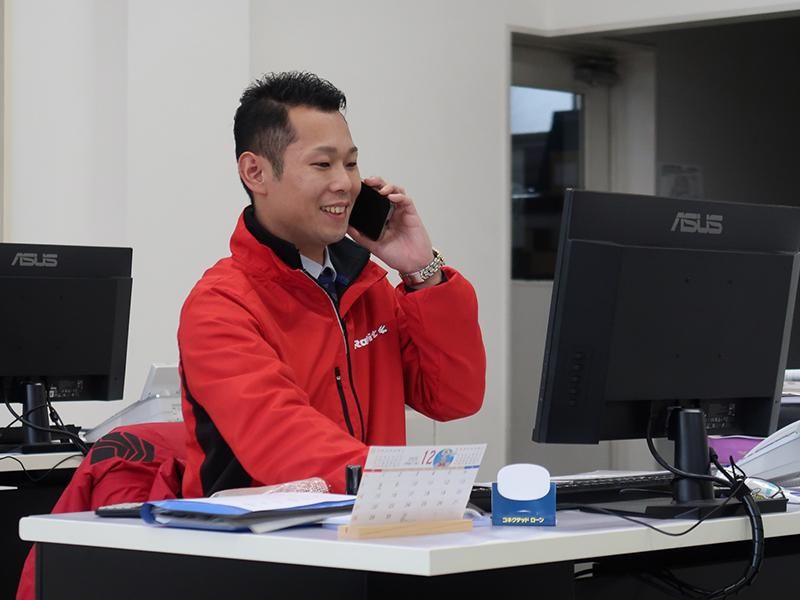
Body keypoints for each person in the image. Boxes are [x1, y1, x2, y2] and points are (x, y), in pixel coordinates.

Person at [178, 71, 486, 498]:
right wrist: (410, 484)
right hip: (266, 536)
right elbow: (283, 440)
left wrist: (422, 272)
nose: (345, 183)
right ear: (255, 172)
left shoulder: (366, 285)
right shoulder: (221, 305)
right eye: (323, 164)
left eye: (351, 163)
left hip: (373, 521)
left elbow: (452, 398)